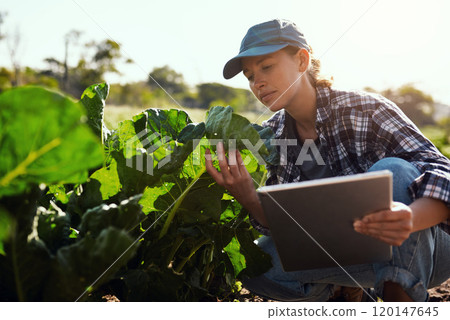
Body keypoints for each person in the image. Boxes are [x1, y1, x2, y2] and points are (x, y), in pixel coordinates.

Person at [205, 19, 450, 302]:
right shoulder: (270, 136)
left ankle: (401, 299)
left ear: (301, 60)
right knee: (255, 265)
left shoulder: (365, 109)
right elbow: (283, 230)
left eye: (267, 67)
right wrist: (247, 196)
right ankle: (344, 294)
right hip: (353, 258)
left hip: (427, 246)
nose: (257, 82)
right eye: (249, 76)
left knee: (393, 170)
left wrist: (410, 218)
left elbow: (442, 170)